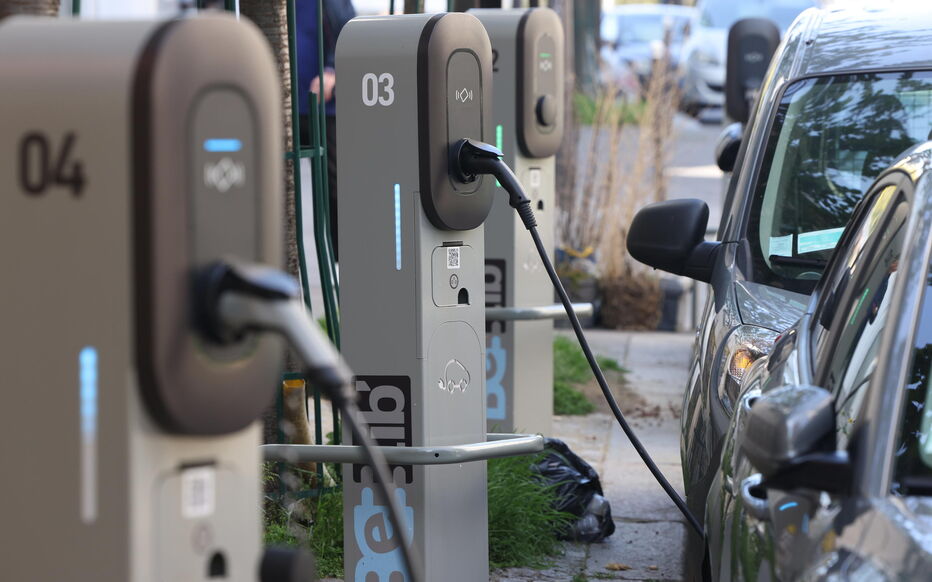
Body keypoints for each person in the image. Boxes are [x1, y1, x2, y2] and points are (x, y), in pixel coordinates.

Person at [296, 0, 355, 260]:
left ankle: (341, 262)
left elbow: (347, 29)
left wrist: (332, 69)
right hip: (286, 107)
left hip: (325, 105)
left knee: (334, 186)